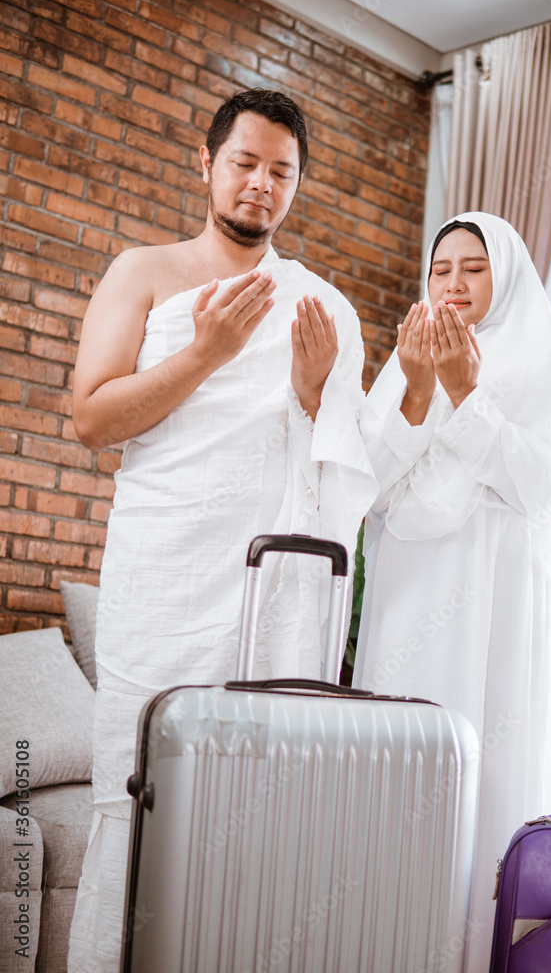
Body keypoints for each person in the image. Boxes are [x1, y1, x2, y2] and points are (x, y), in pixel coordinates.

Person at [68, 88, 376, 973]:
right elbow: (92, 420)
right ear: (206, 163)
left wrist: (318, 393)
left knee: (255, 796)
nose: (260, 185)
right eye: (245, 163)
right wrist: (204, 354)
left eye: (282, 172)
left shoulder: (321, 305)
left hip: (267, 587)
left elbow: (344, 469)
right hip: (163, 576)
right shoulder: (143, 273)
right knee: (142, 787)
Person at [352, 212, 551, 971]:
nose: (452, 283)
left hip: (498, 603)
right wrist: (420, 390)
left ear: (507, 275)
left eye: (473, 268)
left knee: (488, 771)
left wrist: (469, 392)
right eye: (441, 268)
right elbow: (368, 486)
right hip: (409, 598)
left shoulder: (540, 361)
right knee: (403, 775)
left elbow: (545, 486)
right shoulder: (403, 362)